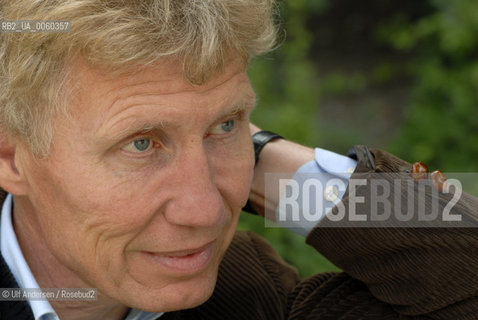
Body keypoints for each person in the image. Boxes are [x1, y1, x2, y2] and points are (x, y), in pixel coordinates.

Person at [0, 1, 476, 319]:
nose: (205, 211)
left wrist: (277, 167)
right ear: (11, 158)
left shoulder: (249, 294)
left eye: (227, 125)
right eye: (141, 144)